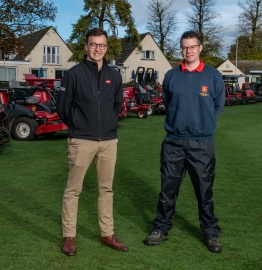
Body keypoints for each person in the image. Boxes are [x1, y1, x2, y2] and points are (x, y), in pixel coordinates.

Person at [143, 30, 225, 253]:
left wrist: (201, 124)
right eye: (184, 47)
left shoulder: (213, 75)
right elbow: (170, 105)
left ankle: (210, 233)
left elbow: (217, 106)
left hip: (202, 144)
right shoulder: (171, 75)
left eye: (192, 46)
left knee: (204, 190)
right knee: (168, 189)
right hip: (174, 142)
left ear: (200, 48)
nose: (188, 51)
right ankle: (160, 229)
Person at [56, 27, 129, 256]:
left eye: (102, 45)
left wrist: (106, 123)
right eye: (93, 44)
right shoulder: (74, 74)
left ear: (106, 48)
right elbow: (62, 107)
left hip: (108, 140)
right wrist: (78, 126)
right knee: (73, 190)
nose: (97, 49)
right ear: (86, 46)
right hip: (81, 140)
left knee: (106, 189)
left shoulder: (114, 75)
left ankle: (107, 234)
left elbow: (117, 105)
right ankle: (69, 236)